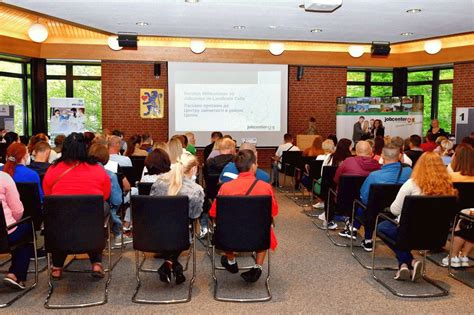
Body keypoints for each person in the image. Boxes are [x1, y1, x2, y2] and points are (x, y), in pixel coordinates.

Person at [377, 152, 457, 281]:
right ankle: (405, 264)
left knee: (382, 227)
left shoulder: (411, 184)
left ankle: (408, 262)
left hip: (408, 232)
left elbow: (395, 210)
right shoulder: (448, 187)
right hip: (435, 235)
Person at [42, 133, 111, 279]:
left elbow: (47, 195)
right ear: (86, 148)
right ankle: (96, 263)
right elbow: (105, 195)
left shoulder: (53, 169)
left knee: (58, 219)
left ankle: (57, 267)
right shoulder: (97, 169)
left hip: (61, 222)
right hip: (89, 221)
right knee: (100, 212)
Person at [210, 150, 278, 283]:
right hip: (258, 237)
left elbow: (213, 213)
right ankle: (258, 266)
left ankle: (231, 260)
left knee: (222, 225)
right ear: (253, 166)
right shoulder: (265, 187)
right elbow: (274, 212)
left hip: (229, 238)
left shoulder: (225, 188)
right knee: (265, 224)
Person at [339, 144, 412, 249]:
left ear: (382, 156)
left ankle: (365, 236)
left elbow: (363, 196)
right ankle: (355, 230)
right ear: (400, 156)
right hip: (399, 209)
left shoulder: (375, 175)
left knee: (366, 205)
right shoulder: (408, 172)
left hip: (375, 211)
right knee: (370, 206)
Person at [150, 152, 204, 284]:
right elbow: (195, 215)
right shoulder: (196, 190)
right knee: (184, 228)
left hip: (154, 233)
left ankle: (170, 263)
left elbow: (151, 206)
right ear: (193, 169)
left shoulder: (159, 182)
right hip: (180, 236)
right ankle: (172, 264)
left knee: (174, 229)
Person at [88, 143, 132, 246]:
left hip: (80, 210)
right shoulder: (109, 175)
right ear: (105, 157)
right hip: (101, 210)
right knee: (112, 205)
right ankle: (117, 234)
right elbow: (117, 200)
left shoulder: (81, 172)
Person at [0, 171, 32, 290]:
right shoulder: (3, 177)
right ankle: (16, 275)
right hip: (4, 234)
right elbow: (17, 210)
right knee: (26, 229)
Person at [313, 138, 352, 211]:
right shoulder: (350, 160)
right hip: (344, 187)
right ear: (347, 148)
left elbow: (323, 173)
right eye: (350, 146)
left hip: (328, 185)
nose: (352, 148)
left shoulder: (330, 157)